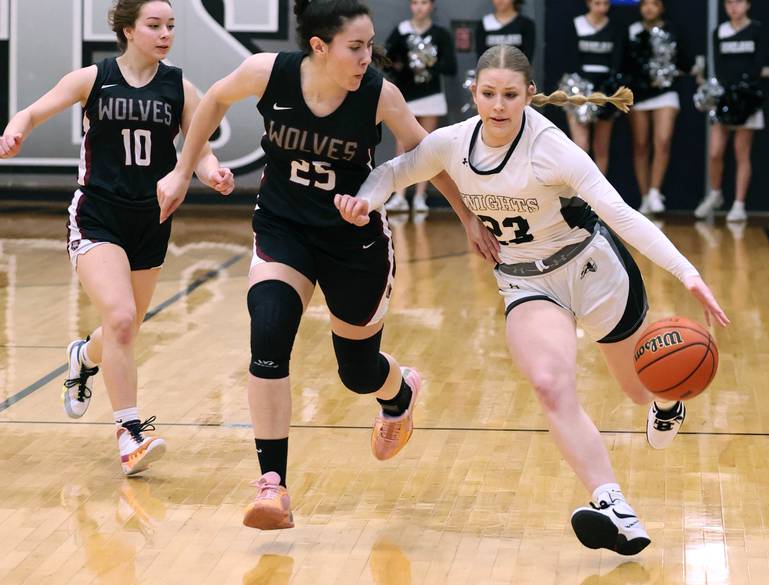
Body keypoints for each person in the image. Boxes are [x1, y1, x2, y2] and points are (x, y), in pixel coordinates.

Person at [335, 44, 730, 555]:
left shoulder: (552, 149)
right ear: (472, 92)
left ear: (529, 97)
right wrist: (365, 198)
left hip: (592, 269)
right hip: (525, 281)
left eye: (511, 95)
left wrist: (688, 273)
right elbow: (394, 170)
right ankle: (614, 506)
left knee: (641, 389)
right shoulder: (451, 143)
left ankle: (666, 400)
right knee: (549, 384)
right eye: (489, 94)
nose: (498, 105)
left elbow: (622, 214)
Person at [156, 0, 497, 531]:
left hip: (353, 241)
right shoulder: (269, 73)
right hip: (283, 228)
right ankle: (273, 486)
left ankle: (399, 392)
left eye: (368, 46)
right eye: (355, 47)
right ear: (319, 46)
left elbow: (425, 153)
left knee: (357, 372)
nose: (367, 57)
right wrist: (182, 172)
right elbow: (214, 100)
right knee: (267, 340)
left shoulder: (379, 94)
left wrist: (469, 218)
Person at [0, 0, 234, 476]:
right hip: (97, 216)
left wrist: (216, 174)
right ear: (128, 30)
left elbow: (200, 152)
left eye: (170, 25)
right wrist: (14, 129)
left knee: (124, 330)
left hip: (151, 220)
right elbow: (31, 111)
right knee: (122, 319)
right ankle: (130, 435)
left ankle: (83, 356)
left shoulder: (180, 88)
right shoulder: (93, 79)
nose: (165, 33)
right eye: (154, 25)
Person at [694, 0, 764, 222]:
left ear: (748, 4)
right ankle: (715, 194)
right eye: (729, 3)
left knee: (741, 152)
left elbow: (758, 64)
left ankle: (739, 204)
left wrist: (742, 90)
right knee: (715, 152)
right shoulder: (719, 32)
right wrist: (725, 92)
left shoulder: (756, 30)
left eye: (738, 2)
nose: (734, 7)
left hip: (747, 99)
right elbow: (719, 65)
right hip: (723, 98)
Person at [384, 0, 456, 213]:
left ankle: (420, 196)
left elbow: (450, 66)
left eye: (424, 2)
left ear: (432, 6)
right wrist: (403, 67)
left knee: (427, 144)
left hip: (431, 94)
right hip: (406, 95)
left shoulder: (439, 33)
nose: (419, 7)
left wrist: (431, 66)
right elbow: (387, 58)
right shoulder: (402, 30)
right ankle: (399, 196)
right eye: (415, 2)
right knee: (402, 145)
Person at [623, 0, 692, 214]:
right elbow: (624, 62)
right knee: (641, 145)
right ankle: (644, 197)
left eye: (654, 3)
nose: (649, 8)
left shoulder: (672, 30)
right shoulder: (632, 30)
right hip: (639, 93)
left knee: (662, 141)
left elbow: (685, 62)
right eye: (645, 4)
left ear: (662, 7)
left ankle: (655, 191)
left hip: (666, 92)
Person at [564, 0, 623, 175]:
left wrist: (611, 88)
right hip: (578, 89)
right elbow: (568, 58)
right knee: (580, 146)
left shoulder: (615, 27)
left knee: (601, 147)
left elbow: (617, 61)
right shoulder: (576, 24)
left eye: (605, 4)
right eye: (597, 3)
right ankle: (579, 195)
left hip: (605, 90)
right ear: (588, 3)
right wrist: (577, 89)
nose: (602, 8)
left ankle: (597, 199)